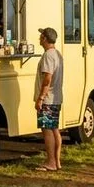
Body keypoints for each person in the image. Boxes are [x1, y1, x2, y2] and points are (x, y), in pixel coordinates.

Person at [34, 27, 63, 171]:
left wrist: (40, 98)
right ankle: (57, 161)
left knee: (47, 130)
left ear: (45, 38)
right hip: (57, 97)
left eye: (41, 36)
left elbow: (47, 78)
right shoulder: (57, 54)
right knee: (54, 129)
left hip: (48, 98)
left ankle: (50, 162)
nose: (39, 38)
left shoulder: (48, 55)